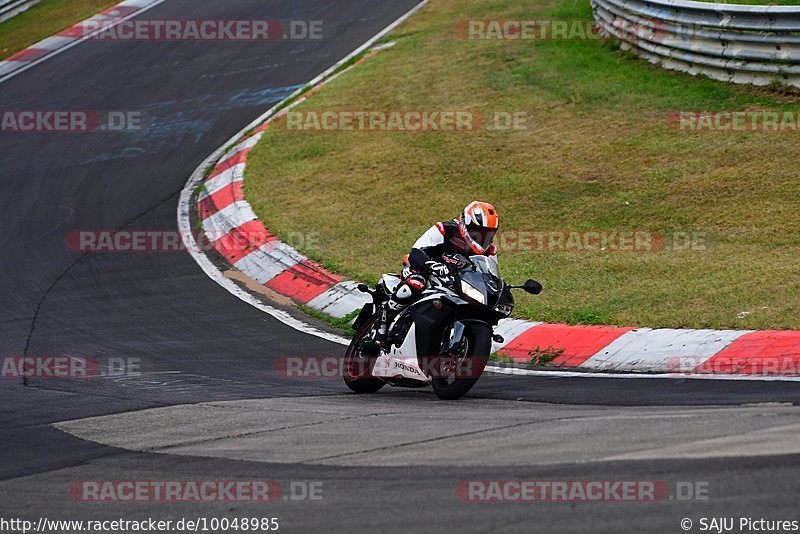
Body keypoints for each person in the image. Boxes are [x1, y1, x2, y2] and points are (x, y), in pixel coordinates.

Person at [375, 201, 500, 344]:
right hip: (424, 271)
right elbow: (416, 252)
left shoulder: (490, 251)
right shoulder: (445, 229)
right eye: (478, 233)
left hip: (455, 283)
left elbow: (489, 273)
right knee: (412, 286)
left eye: (487, 234)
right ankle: (381, 329)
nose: (482, 238)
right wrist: (431, 265)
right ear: (466, 225)